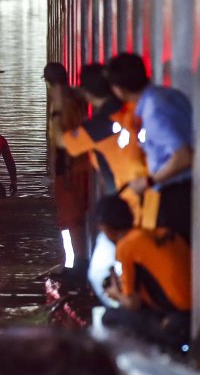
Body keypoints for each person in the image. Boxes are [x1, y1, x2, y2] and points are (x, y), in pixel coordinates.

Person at [57, 64, 150, 301]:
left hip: (127, 202)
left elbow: (63, 141)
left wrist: (58, 106)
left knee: (101, 271)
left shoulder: (100, 125)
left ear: (86, 93)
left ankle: (122, 313)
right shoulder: (128, 112)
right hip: (145, 194)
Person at [106, 53, 194, 242]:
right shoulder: (169, 95)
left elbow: (183, 156)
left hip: (178, 192)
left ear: (119, 89)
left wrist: (148, 182)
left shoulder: (153, 110)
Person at [95, 195, 190, 350]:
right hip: (193, 310)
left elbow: (132, 304)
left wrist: (115, 294)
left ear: (106, 228)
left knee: (109, 317)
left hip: (178, 321)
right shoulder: (158, 232)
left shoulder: (126, 246)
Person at [43, 62, 90, 277]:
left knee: (68, 219)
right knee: (75, 218)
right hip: (78, 165)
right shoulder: (75, 99)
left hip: (70, 168)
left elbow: (62, 140)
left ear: (48, 83)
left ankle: (74, 264)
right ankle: (78, 261)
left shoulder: (61, 104)